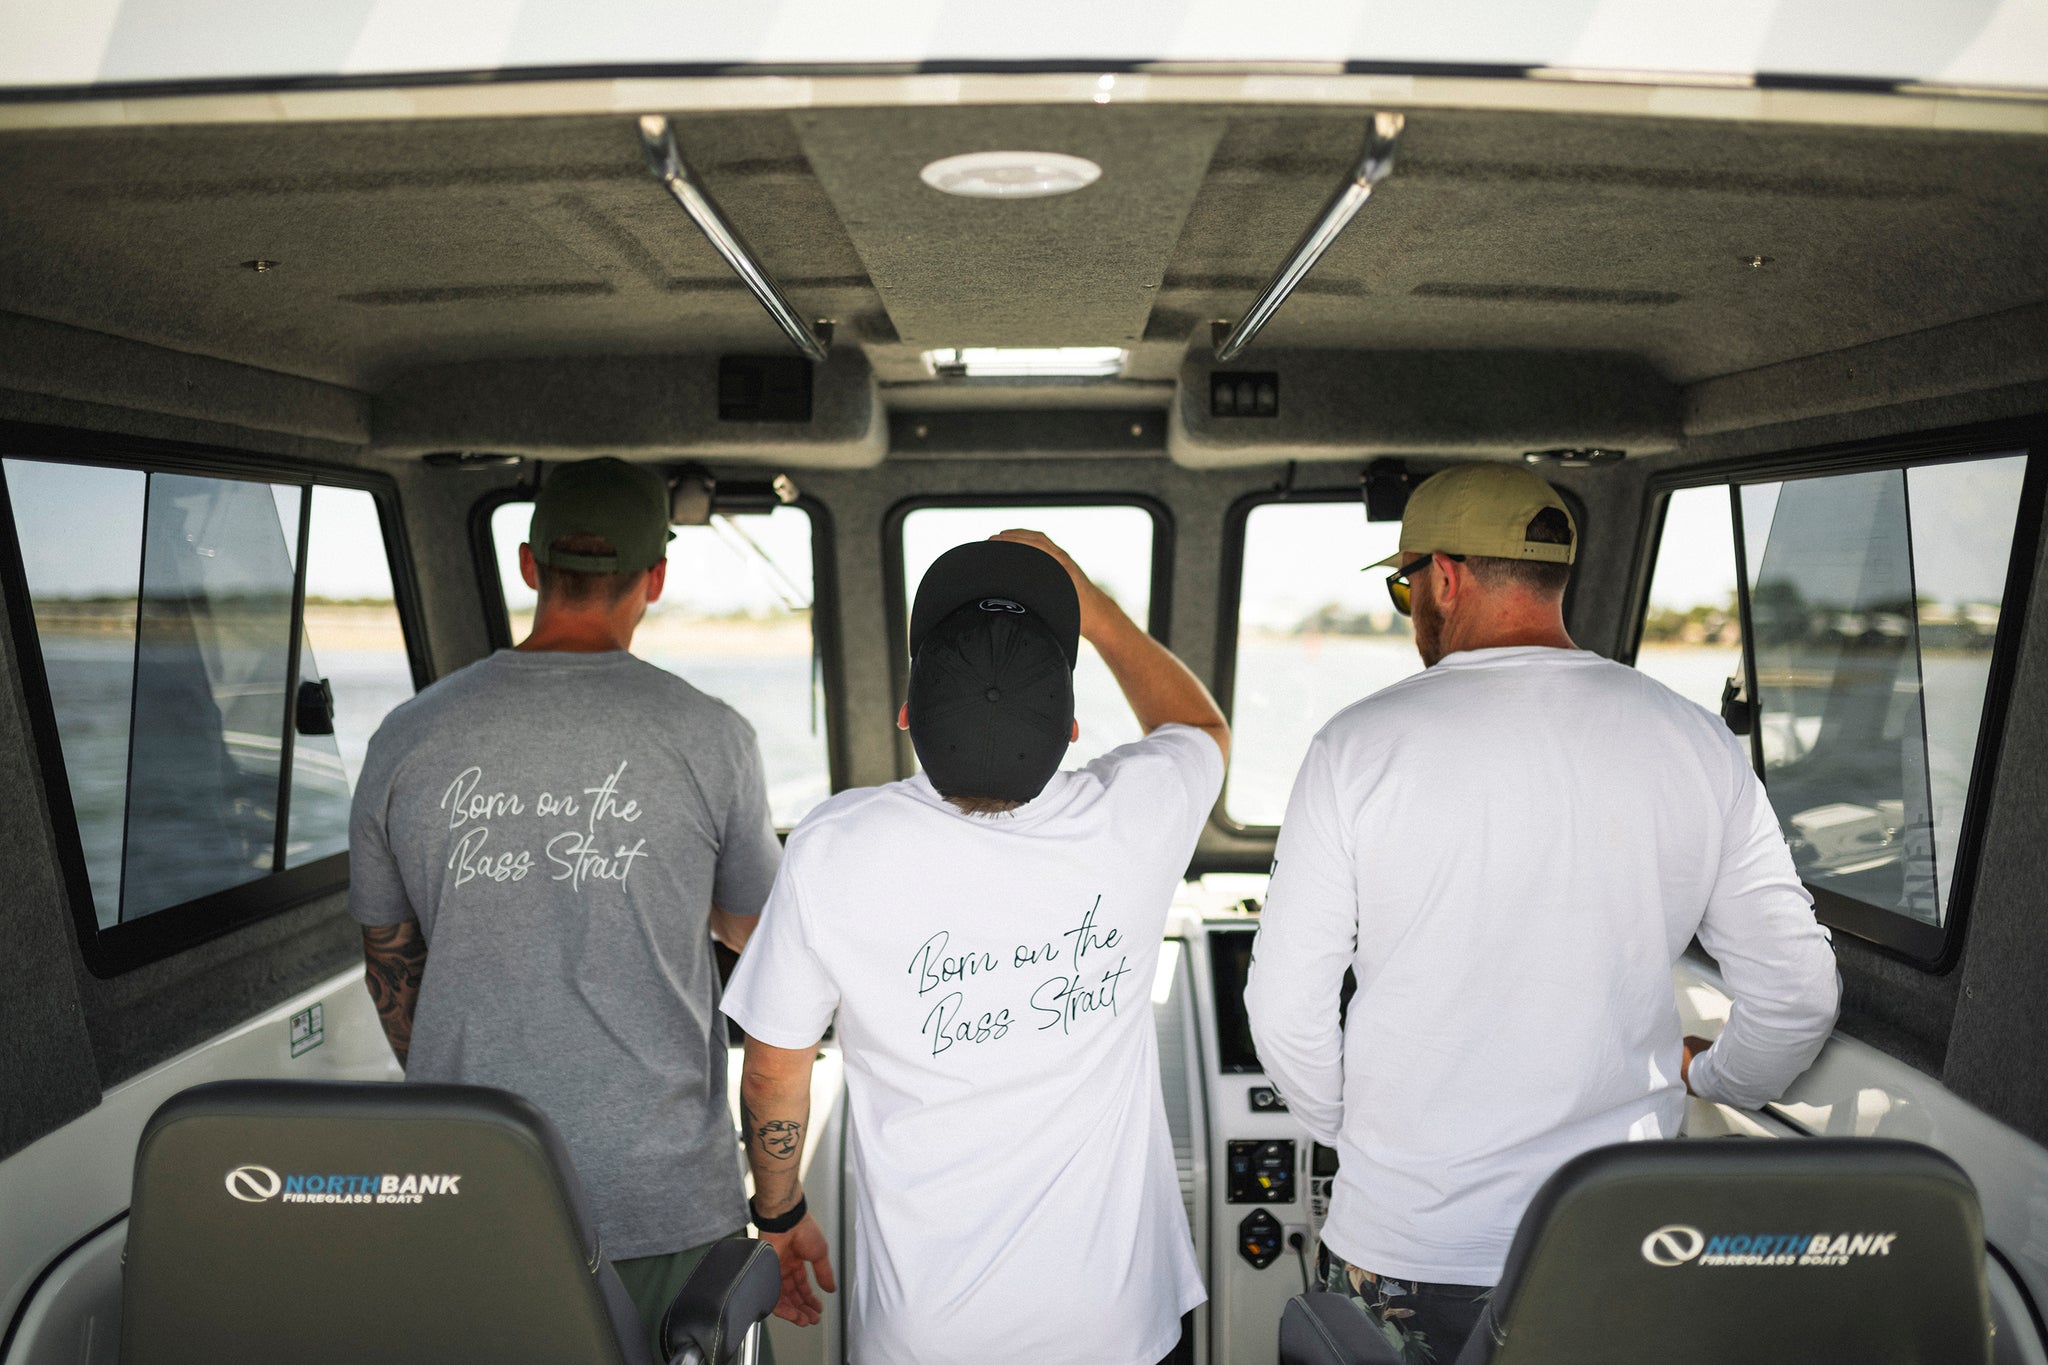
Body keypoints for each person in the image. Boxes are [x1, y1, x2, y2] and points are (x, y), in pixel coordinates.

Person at [1244, 463, 1841, 1364]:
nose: (1412, 605)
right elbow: (1798, 994)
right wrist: (1716, 1080)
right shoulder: (1695, 741)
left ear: (1443, 577)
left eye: (1407, 582)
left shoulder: (1357, 747)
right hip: (1622, 1241)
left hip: (1414, 1244)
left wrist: (1361, 1134)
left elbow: (1286, 1012)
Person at [719, 532, 1229, 1365]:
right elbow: (1197, 723)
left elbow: (776, 1070)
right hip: (1117, 1330)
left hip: (925, 1341)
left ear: (908, 712)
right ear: (1069, 726)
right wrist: (1092, 611)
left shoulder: (837, 844)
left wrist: (778, 1217)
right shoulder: (1138, 814)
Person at [347, 457, 782, 1355]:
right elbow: (762, 944)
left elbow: (391, 963)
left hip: (469, 1188)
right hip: (663, 1202)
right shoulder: (713, 738)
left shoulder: (407, 736)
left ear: (528, 565)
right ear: (654, 578)